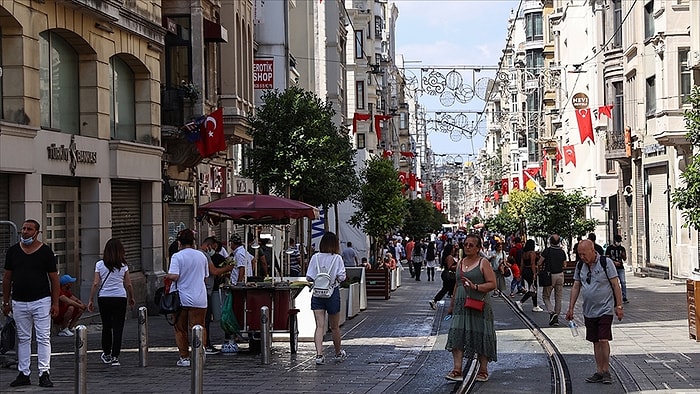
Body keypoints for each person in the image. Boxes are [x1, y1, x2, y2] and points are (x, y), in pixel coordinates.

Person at [2, 219, 59, 388]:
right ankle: (24, 373)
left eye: (29, 229)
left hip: (41, 300)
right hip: (19, 301)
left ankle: (44, 372)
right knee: (23, 338)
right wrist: (6, 301)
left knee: (43, 337)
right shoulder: (13, 252)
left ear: (37, 233)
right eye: (23, 228)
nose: (25, 232)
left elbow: (54, 279)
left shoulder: (45, 252)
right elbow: (7, 278)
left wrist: (55, 302)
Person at [566, 240, 624, 385]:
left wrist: (619, 306)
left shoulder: (606, 263)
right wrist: (571, 308)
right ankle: (599, 371)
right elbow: (576, 286)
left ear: (593, 251)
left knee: (603, 339)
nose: (582, 257)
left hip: (605, 309)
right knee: (595, 341)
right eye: (579, 254)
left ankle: (606, 371)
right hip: (589, 310)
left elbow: (616, 284)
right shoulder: (580, 265)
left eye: (584, 254)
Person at [445, 234, 497, 382]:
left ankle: (483, 370)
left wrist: (476, 286)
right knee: (457, 333)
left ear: (478, 248)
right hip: (461, 304)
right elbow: (457, 284)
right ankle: (457, 369)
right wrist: (452, 304)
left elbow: (493, 284)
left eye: (471, 245)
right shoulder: (460, 262)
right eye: (465, 244)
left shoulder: (483, 262)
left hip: (479, 304)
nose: (467, 247)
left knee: (480, 334)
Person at [86, 238, 135, 366]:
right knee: (118, 327)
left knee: (106, 326)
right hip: (120, 297)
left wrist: (90, 299)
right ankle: (115, 356)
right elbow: (128, 284)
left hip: (104, 297)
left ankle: (106, 353)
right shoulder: (123, 266)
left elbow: (96, 283)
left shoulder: (99, 264)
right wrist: (131, 297)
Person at [166, 229, 209, 367]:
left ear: (179, 243)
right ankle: (200, 354)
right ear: (193, 242)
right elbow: (205, 276)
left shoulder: (177, 257)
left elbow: (175, 276)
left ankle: (184, 357)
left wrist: (166, 276)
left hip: (181, 298)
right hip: (199, 298)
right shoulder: (201, 256)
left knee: (180, 329)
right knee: (199, 327)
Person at [305, 231, 347, 365]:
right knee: (334, 327)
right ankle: (338, 353)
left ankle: (319, 355)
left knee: (319, 326)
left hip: (317, 293)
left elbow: (309, 277)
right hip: (332, 293)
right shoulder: (337, 258)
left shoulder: (315, 257)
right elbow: (342, 277)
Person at [200, 237, 235, 354]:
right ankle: (205, 345)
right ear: (209, 246)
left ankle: (203, 344)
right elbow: (214, 271)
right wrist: (227, 268)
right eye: (214, 248)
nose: (215, 251)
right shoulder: (204, 256)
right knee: (205, 320)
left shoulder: (198, 255)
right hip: (204, 291)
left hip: (202, 290)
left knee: (203, 320)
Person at [538, 234, 567, 326]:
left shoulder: (547, 251)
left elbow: (539, 262)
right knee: (558, 297)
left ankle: (552, 312)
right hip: (560, 275)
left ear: (550, 241)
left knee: (546, 296)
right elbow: (565, 265)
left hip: (550, 275)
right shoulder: (562, 252)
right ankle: (556, 318)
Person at [516, 239, 543, 312]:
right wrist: (534, 273)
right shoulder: (532, 253)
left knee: (533, 288)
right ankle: (521, 302)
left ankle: (535, 305)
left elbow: (522, 265)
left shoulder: (524, 253)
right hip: (530, 271)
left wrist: (520, 274)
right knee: (533, 289)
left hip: (525, 271)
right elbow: (532, 264)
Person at [429, 243, 458, 310]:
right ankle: (436, 300)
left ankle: (435, 300)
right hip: (450, 276)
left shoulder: (447, 256)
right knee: (450, 289)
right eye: (453, 248)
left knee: (445, 289)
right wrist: (458, 265)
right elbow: (450, 266)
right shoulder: (450, 257)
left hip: (447, 275)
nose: (454, 249)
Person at [605, 234, 628, 304]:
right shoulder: (609, 248)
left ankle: (624, 297)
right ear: (614, 241)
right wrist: (614, 262)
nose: (618, 243)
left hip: (620, 268)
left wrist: (624, 256)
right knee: (613, 283)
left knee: (623, 282)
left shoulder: (622, 248)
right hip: (612, 268)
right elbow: (607, 258)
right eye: (617, 241)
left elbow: (624, 258)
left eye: (619, 241)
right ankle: (613, 297)